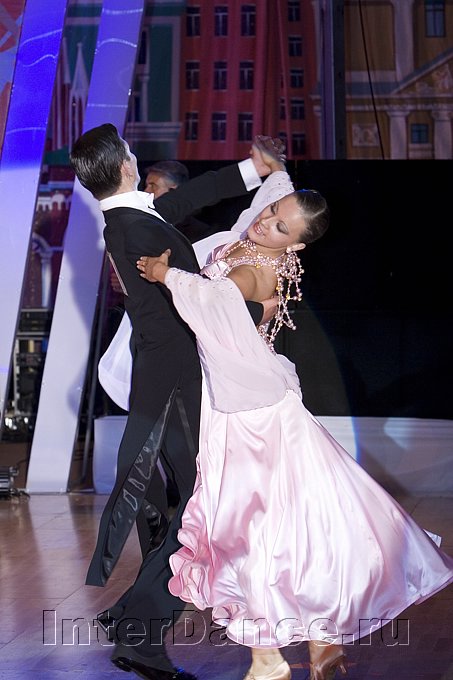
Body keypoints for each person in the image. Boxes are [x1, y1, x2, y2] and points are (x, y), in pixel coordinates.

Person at [136, 170, 453, 680]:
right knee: (295, 519)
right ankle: (318, 642)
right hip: (255, 397)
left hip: (249, 413)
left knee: (251, 529)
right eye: (271, 213)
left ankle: (270, 658)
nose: (267, 223)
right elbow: (261, 210)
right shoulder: (259, 244)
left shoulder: (255, 271)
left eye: (282, 227)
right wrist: (272, 170)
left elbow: (212, 305)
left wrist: (166, 275)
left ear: (297, 246)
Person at [69, 123, 283, 680]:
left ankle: (129, 616)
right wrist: (255, 311)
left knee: (199, 504)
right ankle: (141, 637)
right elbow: (192, 303)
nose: (135, 155)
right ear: (124, 166)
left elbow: (186, 200)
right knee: (202, 509)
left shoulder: (133, 218)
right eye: (130, 152)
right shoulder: (136, 228)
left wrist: (252, 170)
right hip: (174, 385)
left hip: (168, 378)